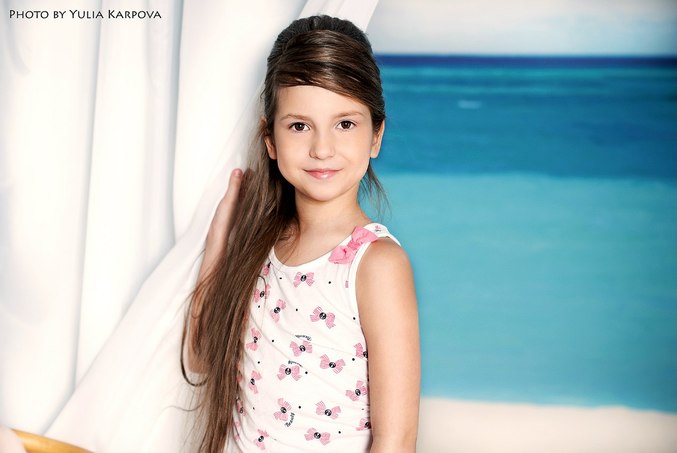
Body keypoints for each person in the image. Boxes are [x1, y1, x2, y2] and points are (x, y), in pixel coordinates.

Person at [183, 15, 420, 453]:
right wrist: (218, 240)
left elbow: (396, 440)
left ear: (376, 135)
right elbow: (200, 358)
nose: (322, 148)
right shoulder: (259, 246)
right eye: (299, 125)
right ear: (270, 139)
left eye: (345, 124)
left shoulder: (376, 265)